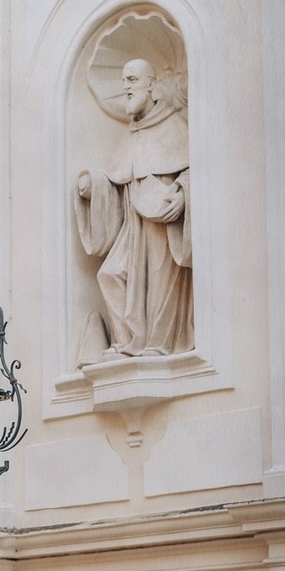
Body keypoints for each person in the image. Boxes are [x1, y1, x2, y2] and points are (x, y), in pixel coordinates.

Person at [74, 58, 193, 358]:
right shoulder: (131, 134)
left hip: (163, 226)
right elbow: (117, 179)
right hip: (135, 226)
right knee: (110, 274)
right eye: (124, 80)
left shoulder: (175, 124)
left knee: (159, 288)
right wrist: (93, 184)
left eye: (132, 80)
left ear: (151, 84)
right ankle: (128, 342)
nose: (126, 86)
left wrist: (182, 192)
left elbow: (197, 169)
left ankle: (157, 345)